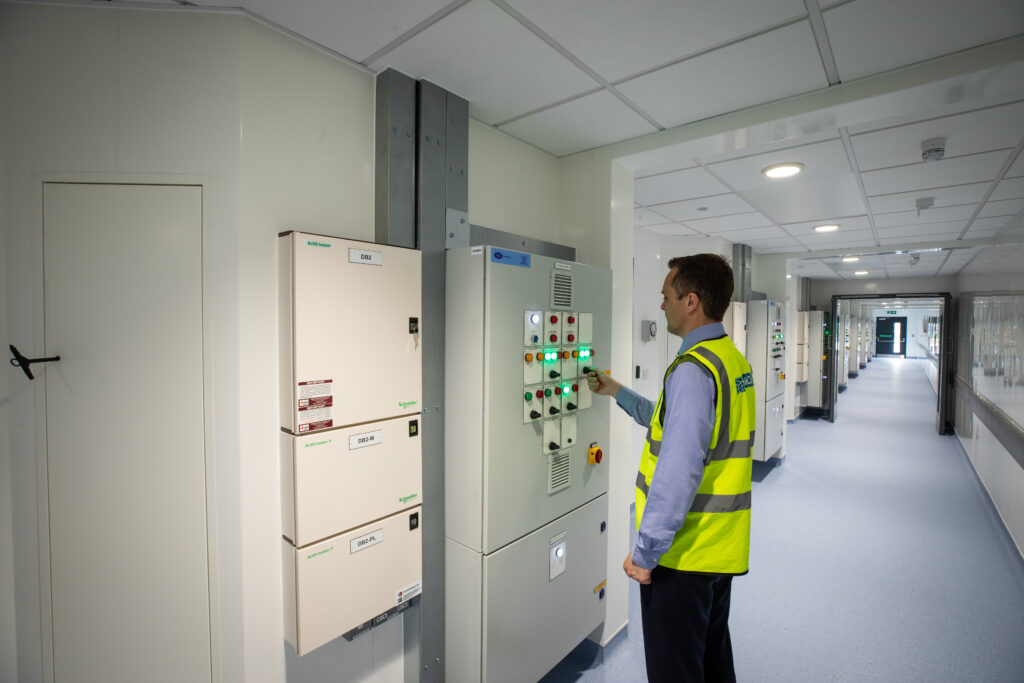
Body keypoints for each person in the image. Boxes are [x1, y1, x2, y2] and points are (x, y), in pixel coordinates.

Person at [586, 253, 756, 683]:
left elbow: (677, 473)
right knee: (713, 662)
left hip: (684, 557)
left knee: (676, 671)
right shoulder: (729, 360)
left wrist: (646, 554)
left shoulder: (693, 370)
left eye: (666, 296)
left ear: (691, 301)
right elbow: (668, 421)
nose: (661, 305)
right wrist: (617, 391)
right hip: (719, 550)